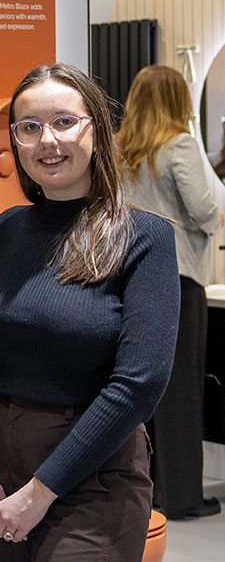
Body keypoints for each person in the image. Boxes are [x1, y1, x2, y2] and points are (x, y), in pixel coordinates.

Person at [0, 63, 179, 562]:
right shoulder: (7, 230)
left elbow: (138, 385)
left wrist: (40, 492)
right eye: (29, 127)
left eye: (64, 122)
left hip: (92, 477)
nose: (47, 141)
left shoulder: (144, 238)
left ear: (96, 128)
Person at [118, 65, 222, 520]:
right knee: (182, 389)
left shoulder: (122, 149)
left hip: (134, 276)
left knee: (147, 387)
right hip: (179, 275)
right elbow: (203, 208)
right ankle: (182, 495)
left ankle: (151, 489)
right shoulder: (179, 144)